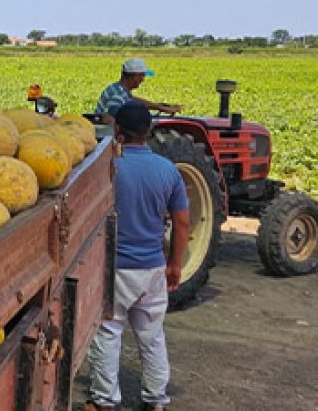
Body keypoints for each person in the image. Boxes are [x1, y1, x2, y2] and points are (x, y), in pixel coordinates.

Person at [85, 102, 189, 411]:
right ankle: (156, 400)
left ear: (117, 131)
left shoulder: (107, 167)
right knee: (152, 336)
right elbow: (182, 222)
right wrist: (174, 264)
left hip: (115, 268)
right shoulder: (167, 169)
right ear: (149, 131)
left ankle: (105, 401)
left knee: (108, 331)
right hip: (153, 267)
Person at [94, 58, 181, 124]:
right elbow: (107, 118)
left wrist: (160, 107)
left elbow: (134, 100)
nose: (143, 80)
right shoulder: (118, 96)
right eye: (142, 76)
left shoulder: (118, 89)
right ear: (134, 76)